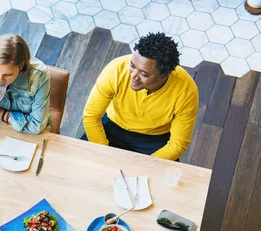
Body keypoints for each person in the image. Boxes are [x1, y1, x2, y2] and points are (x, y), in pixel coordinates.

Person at [82, 32, 199, 161]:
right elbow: (91, 116)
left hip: (154, 138)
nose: (133, 76)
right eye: (132, 66)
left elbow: (178, 144)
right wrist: (105, 155)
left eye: (144, 73)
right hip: (112, 126)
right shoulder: (116, 70)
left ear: (164, 74)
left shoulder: (186, 91)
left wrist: (145, 165)